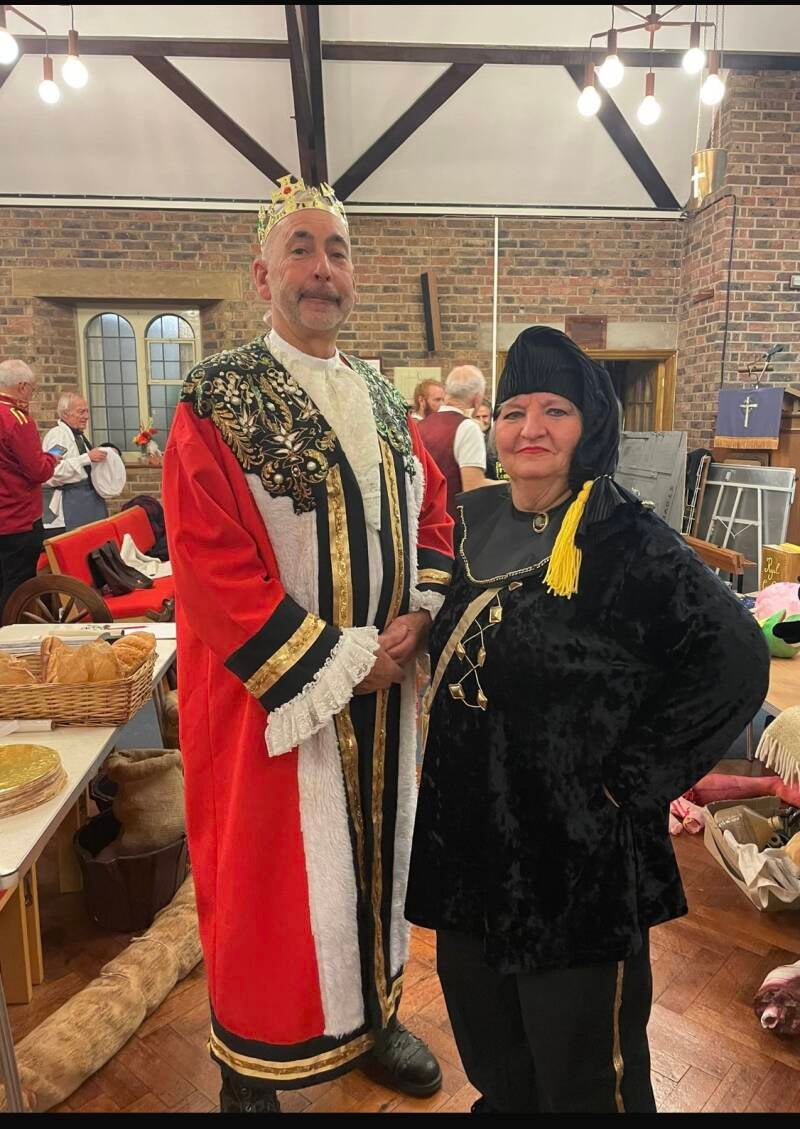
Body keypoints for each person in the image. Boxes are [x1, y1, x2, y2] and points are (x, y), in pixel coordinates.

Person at [405, 325, 770, 1114]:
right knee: (490, 1040)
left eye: (555, 410)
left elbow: (735, 656)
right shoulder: (472, 520)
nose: (530, 427)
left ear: (590, 425)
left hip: (574, 856)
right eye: (514, 411)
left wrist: (629, 779)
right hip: (468, 837)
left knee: (583, 1074)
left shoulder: (626, 535)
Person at [162, 175, 453, 1113]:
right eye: (301, 249)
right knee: (264, 886)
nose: (322, 269)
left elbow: (433, 515)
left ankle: (374, 1020)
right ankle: (249, 1064)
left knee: (378, 866)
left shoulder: (382, 396)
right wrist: (340, 662)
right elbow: (208, 563)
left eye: (337, 251)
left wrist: (420, 612)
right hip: (271, 704)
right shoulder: (216, 398)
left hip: (385, 698)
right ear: (263, 276)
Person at [0, 360, 59, 616]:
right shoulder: (16, 419)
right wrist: (51, 459)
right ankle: (11, 635)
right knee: (18, 589)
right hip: (18, 519)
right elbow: (38, 471)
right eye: (33, 389)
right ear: (22, 386)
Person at [417, 365, 487, 519]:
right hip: (452, 525)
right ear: (477, 398)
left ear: (447, 393)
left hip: (421, 523)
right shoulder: (468, 428)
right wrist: (511, 486)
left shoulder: (419, 427)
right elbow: (473, 486)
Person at [42, 391, 112, 531]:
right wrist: (86, 458)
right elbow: (52, 471)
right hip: (72, 502)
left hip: (90, 501)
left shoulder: (79, 436)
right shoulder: (59, 436)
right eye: (81, 412)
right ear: (65, 414)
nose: (86, 416)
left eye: (87, 411)